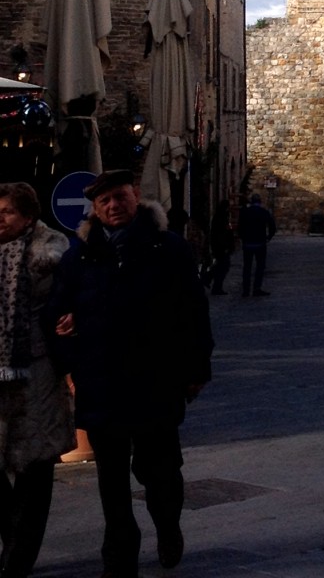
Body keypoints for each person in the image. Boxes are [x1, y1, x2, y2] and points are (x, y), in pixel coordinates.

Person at [46, 169, 213, 578]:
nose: (112, 206)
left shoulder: (167, 248)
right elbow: (57, 312)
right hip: (101, 383)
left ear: (135, 197)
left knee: (161, 472)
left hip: (155, 381)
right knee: (112, 480)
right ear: (95, 209)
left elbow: (194, 312)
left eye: (119, 197)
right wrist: (69, 356)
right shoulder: (78, 256)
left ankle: (167, 525)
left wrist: (195, 370)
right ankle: (119, 553)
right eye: (103, 201)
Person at [0, 182, 75, 578]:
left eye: (7, 212)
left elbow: (78, 297)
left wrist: (72, 319)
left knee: (35, 463)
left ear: (29, 216)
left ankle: (18, 556)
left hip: (38, 372)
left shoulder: (53, 254)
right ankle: (13, 535)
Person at [238, 193, 276, 296]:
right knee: (260, 267)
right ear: (260, 202)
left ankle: (246, 290)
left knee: (247, 267)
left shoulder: (245, 212)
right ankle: (256, 288)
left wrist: (242, 238)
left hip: (247, 243)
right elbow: (272, 226)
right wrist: (268, 237)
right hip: (260, 243)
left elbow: (239, 227)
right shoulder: (263, 212)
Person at [208, 200, 235, 295]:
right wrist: (225, 246)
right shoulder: (221, 218)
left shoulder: (221, 217)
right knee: (223, 267)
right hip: (221, 247)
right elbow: (221, 234)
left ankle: (209, 279)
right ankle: (214, 285)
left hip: (220, 246)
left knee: (220, 266)